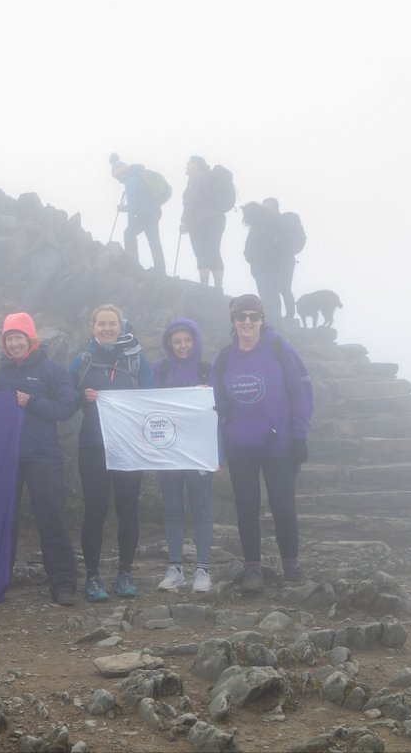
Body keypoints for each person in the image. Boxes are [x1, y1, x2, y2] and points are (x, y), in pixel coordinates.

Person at [212, 294, 314, 593]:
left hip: (278, 445)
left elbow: (301, 393)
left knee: (284, 507)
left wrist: (299, 436)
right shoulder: (225, 357)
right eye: (241, 316)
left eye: (253, 316)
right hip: (240, 447)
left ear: (261, 320)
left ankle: (291, 568)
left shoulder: (281, 350)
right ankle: (253, 570)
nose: (247, 321)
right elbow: (214, 398)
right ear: (233, 320)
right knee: (246, 509)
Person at [67, 305, 155, 602]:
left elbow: (153, 396)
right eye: (101, 324)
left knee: (128, 510)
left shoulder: (136, 359)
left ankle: (125, 574)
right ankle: (92, 577)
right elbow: (65, 396)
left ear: (121, 326)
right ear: (92, 327)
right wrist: (81, 396)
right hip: (93, 447)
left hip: (129, 448)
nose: (107, 328)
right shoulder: (83, 361)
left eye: (112, 324)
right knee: (94, 512)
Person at [0, 312, 79, 606]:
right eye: (9, 338)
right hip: (9, 456)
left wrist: (33, 402)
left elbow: (67, 406)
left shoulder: (51, 369)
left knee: (51, 519)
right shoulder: (0, 373)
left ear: (30, 339)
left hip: (43, 455)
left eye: (19, 337)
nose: (14, 343)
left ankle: (63, 585)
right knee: (5, 521)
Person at [152, 318, 215, 593]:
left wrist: (218, 453)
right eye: (177, 341)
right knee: (173, 510)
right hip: (169, 452)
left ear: (196, 341)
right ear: (169, 344)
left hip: (199, 451)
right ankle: (175, 569)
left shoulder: (207, 371)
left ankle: (202, 570)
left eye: (187, 340)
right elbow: (146, 405)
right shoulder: (159, 370)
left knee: (201, 509)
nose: (183, 346)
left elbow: (219, 412)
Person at [110, 154, 166, 272]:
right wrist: (124, 208)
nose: (118, 180)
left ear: (120, 173)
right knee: (154, 240)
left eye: (117, 177)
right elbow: (139, 200)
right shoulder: (138, 175)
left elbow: (133, 205)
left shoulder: (130, 181)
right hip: (153, 211)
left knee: (129, 234)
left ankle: (133, 265)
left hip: (145, 214)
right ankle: (161, 269)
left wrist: (130, 221)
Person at [180, 156, 227, 291]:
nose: (186, 166)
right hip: (217, 218)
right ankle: (218, 288)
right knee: (214, 250)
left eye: (188, 163)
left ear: (195, 164)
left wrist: (184, 221)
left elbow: (190, 199)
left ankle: (204, 287)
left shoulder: (195, 177)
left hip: (200, 219)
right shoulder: (209, 178)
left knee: (201, 251)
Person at [241, 201, 288, 326]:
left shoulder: (257, 226)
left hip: (262, 270)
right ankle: (280, 331)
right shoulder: (274, 224)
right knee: (275, 301)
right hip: (276, 268)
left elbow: (248, 250)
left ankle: (271, 331)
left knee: (267, 302)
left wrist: (254, 262)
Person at [262, 198, 306, 321]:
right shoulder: (277, 221)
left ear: (274, 207)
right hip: (285, 260)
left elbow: (280, 241)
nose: (263, 209)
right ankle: (285, 315)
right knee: (281, 288)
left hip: (283, 260)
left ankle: (286, 315)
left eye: (266, 207)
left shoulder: (280, 222)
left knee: (281, 287)